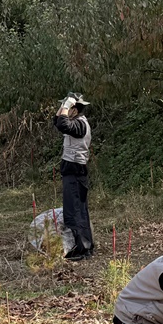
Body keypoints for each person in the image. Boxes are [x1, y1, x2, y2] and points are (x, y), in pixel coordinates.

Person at [54, 93, 94, 260]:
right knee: (76, 210)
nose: (65, 112)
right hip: (73, 172)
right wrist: (64, 105)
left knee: (75, 212)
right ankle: (84, 247)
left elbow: (63, 124)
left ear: (75, 110)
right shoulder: (76, 122)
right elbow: (57, 122)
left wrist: (68, 103)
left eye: (68, 109)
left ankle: (83, 249)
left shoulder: (79, 124)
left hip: (75, 172)